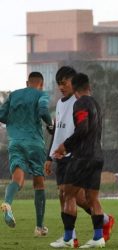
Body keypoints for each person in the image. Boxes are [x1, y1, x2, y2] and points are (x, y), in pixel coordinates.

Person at [45, 66, 114, 248]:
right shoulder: (88, 103)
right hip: (91, 155)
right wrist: (50, 156)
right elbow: (58, 131)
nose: (61, 86)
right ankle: (95, 235)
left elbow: (81, 129)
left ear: (74, 84)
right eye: (58, 83)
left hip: (78, 155)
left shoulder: (79, 102)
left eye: (65, 82)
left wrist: (65, 146)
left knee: (69, 195)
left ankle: (70, 237)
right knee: (85, 197)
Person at [0, 72, 52, 236]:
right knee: (39, 182)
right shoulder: (41, 94)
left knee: (17, 179)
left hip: (15, 141)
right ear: (41, 84)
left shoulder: (13, 95)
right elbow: (43, 110)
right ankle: (39, 227)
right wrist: (50, 125)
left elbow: (1, 115)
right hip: (34, 142)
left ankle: (7, 203)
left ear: (27, 82)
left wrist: (16, 123)